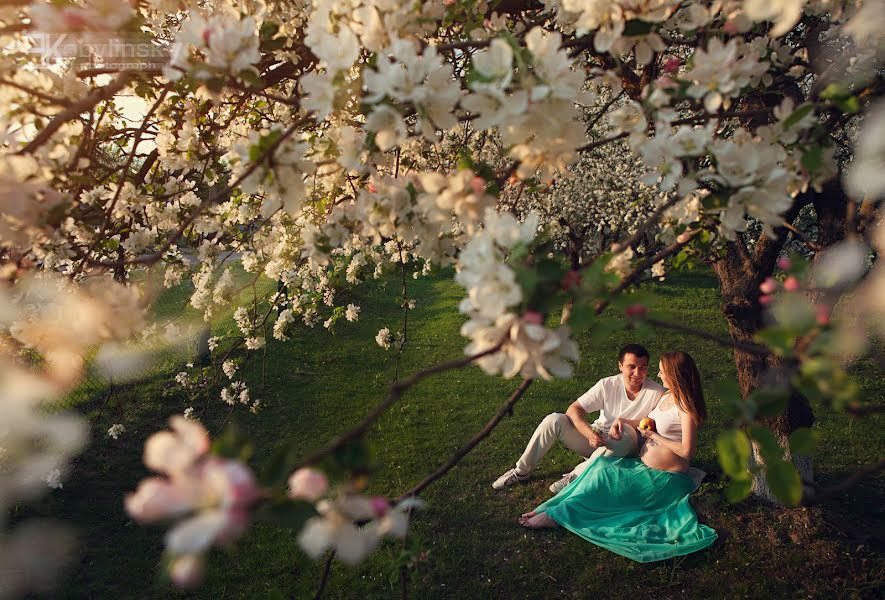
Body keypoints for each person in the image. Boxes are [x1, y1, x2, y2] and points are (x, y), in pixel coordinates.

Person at [517, 351, 717, 563]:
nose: (658, 375)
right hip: (643, 467)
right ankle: (552, 508)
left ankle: (558, 515)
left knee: (607, 491)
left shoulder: (686, 408)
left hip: (665, 479)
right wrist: (625, 420)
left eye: (662, 371)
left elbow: (687, 451)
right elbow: (647, 421)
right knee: (601, 471)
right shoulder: (667, 396)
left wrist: (653, 436)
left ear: (675, 374)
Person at [492, 344, 666, 492]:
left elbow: (653, 424)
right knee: (554, 420)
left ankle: (575, 475)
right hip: (598, 441)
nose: (637, 372)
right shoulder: (607, 384)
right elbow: (574, 409)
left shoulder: (657, 392)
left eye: (643, 367)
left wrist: (624, 424)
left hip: (627, 447)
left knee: (625, 433)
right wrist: (590, 433)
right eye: (632, 366)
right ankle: (521, 471)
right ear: (620, 366)